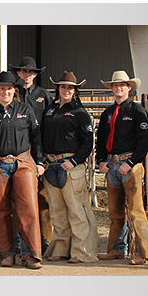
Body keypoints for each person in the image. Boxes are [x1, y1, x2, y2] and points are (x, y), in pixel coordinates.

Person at [0, 71, 44, 269]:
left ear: (15, 90)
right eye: (2, 88)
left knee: (28, 208)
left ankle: (31, 253)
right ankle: (6, 253)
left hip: (23, 162)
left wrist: (39, 162)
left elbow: (36, 137)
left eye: (9, 88)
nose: (6, 91)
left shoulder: (25, 110)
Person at [96, 70, 148, 265]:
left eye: (122, 85)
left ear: (129, 88)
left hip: (129, 164)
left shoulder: (137, 111)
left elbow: (144, 141)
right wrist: (101, 161)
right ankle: (117, 249)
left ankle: (145, 251)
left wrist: (131, 163)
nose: (118, 88)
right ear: (112, 88)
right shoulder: (107, 114)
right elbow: (101, 140)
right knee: (115, 212)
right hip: (112, 165)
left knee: (136, 210)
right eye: (115, 86)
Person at [41, 71, 98, 263]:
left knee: (76, 209)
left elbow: (88, 142)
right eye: (63, 86)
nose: (66, 90)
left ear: (75, 90)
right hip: (51, 165)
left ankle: (81, 251)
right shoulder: (49, 110)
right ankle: (60, 248)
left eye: (70, 87)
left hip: (69, 165)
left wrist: (74, 161)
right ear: (58, 88)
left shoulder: (79, 113)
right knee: (57, 210)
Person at [9, 56, 54, 257]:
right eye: (24, 71)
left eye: (31, 72)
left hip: (38, 152)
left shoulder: (43, 95)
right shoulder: (13, 94)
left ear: (35, 74)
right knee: (16, 200)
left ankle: (45, 240)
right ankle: (18, 239)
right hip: (18, 151)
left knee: (42, 199)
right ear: (18, 73)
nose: (27, 75)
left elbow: (49, 125)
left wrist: (42, 158)